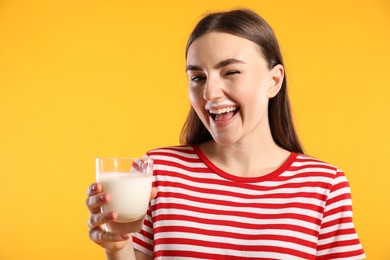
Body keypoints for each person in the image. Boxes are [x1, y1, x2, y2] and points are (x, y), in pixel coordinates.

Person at [86, 8, 366, 260]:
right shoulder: (157, 171)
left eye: (231, 72)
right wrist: (118, 246)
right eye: (197, 77)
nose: (209, 93)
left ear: (274, 81)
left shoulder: (324, 185)